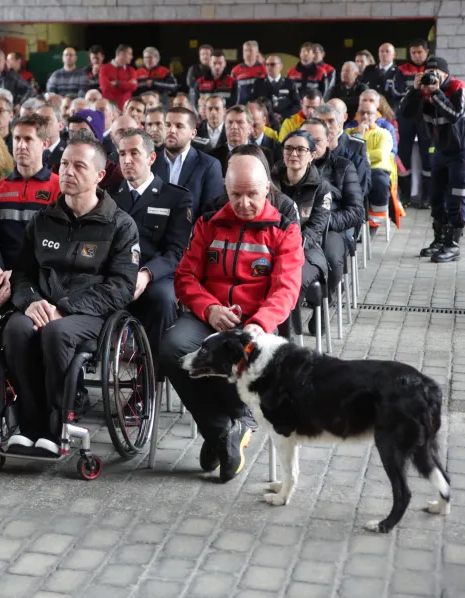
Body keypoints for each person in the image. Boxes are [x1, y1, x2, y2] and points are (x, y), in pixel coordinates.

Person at [158, 152, 303, 482]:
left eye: (252, 194)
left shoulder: (283, 228)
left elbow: (286, 288)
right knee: (171, 347)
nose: (244, 203)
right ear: (225, 187)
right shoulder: (209, 221)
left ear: (267, 188)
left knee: (239, 355)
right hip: (208, 317)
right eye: (236, 194)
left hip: (256, 323)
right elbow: (185, 277)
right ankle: (224, 430)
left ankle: (223, 432)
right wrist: (209, 308)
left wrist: (259, 324)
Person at [1, 134, 139, 452]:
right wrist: (31, 301)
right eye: (64, 164)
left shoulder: (120, 225)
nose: (68, 172)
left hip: (91, 316)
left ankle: (56, 424)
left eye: (78, 165)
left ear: (99, 175)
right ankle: (29, 423)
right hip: (43, 306)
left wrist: (64, 307)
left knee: (56, 332)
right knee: (16, 327)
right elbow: (21, 274)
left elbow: (120, 288)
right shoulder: (42, 220)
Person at [111, 127, 192, 353]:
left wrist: (146, 274)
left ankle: (153, 372)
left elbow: (176, 251)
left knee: (164, 298)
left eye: (134, 153)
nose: (127, 160)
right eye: (122, 154)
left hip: (156, 276)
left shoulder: (175, 197)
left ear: (151, 157)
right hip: (115, 274)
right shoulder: (108, 196)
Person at [0, 114, 60, 308]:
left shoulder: (59, 189)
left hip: (41, 279)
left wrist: (17, 276)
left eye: (28, 139)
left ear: (45, 143)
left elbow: (57, 245)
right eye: (17, 139)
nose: (21, 145)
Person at [400, 56, 465, 263]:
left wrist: (436, 92)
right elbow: (404, 114)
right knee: (436, 196)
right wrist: (415, 91)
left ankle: (454, 244)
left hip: (460, 150)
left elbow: (453, 115)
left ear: (445, 73)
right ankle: (440, 239)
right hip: (439, 149)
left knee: (456, 196)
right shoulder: (423, 90)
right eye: (428, 74)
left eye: (437, 74)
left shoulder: (460, 87)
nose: (433, 78)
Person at [300, 119, 364, 297]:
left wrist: (323, 221)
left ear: (328, 140)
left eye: (317, 140)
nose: (311, 147)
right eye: (306, 140)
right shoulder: (288, 167)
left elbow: (357, 211)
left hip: (332, 227)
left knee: (333, 261)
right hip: (297, 227)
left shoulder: (343, 166)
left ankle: (323, 303)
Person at [270, 130, 332, 304]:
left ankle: (291, 330)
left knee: (291, 283)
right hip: (269, 246)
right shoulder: (269, 182)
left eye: (300, 149)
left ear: (312, 155)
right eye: (288, 148)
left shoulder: (321, 188)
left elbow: (315, 229)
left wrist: (289, 248)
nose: (293, 154)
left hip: (306, 250)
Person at [152, 106, 224, 220]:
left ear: (193, 134)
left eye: (179, 126)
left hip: (192, 235)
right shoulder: (151, 161)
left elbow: (211, 214)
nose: (171, 130)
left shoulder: (209, 165)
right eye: (168, 125)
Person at [392, 39, 432, 207]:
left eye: (419, 52)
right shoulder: (401, 70)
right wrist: (416, 90)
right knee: (403, 156)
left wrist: (415, 92)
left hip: (426, 118)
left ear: (426, 52)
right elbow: (397, 92)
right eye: (413, 53)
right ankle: (405, 195)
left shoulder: (433, 68)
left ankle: (428, 197)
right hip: (406, 118)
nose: (416, 55)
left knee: (428, 157)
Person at [348, 101, 395, 230]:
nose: (365, 116)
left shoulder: (383, 133)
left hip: (376, 170)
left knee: (379, 180)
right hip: (354, 171)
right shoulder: (348, 132)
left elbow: (380, 155)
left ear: (376, 115)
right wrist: (359, 135)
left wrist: (359, 156)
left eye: (370, 113)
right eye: (362, 113)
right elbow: (345, 154)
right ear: (356, 115)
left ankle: (374, 223)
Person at [318, 102, 371, 198]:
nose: (327, 126)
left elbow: (364, 186)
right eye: (322, 122)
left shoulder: (357, 146)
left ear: (339, 125)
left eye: (331, 121)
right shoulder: (308, 150)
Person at [209, 104, 275, 175]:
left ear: (250, 128)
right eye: (230, 122)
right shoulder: (212, 156)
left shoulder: (264, 154)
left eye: (240, 122)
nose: (234, 127)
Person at [251, 55, 300, 122]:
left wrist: (283, 115)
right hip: (264, 121)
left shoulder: (289, 83)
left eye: (272, 64)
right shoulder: (258, 83)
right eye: (267, 64)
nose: (269, 67)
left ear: (281, 66)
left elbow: (297, 105)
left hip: (285, 121)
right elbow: (253, 102)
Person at [361, 42, 401, 108]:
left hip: (390, 109)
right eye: (381, 51)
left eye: (387, 51)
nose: (384, 54)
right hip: (370, 108)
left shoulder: (399, 71)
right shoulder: (369, 69)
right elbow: (363, 87)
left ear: (394, 55)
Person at [99, 44, 138, 109]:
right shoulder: (104, 68)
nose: (132, 57)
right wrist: (127, 84)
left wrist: (117, 83)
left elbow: (134, 87)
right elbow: (105, 88)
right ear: (121, 53)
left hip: (126, 108)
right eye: (129, 53)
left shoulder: (131, 70)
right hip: (109, 108)